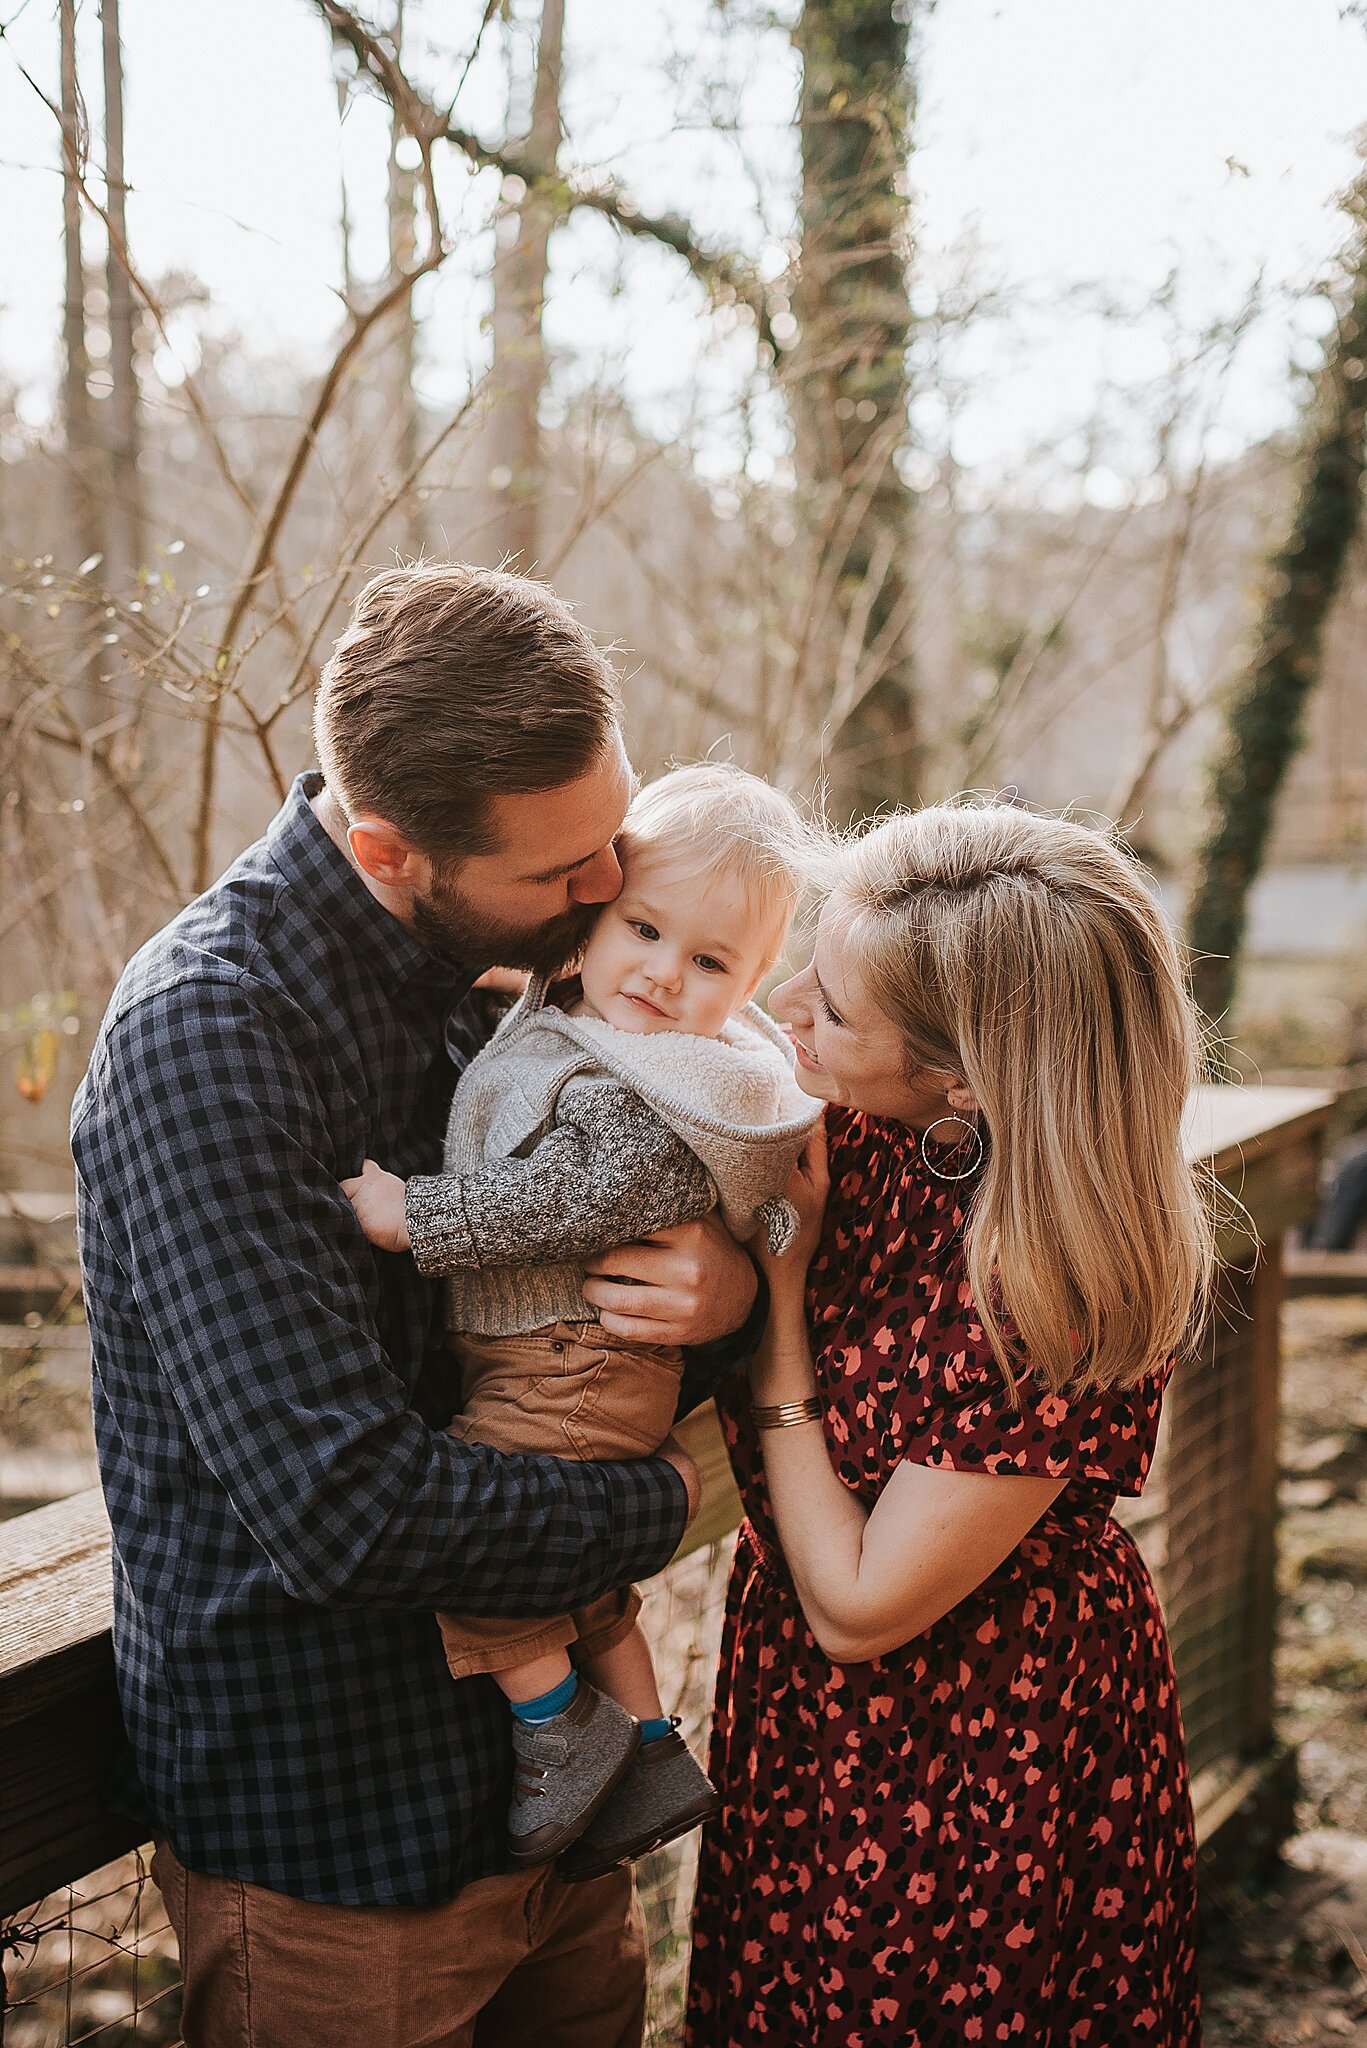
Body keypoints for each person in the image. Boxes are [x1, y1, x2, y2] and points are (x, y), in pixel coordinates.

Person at [71, 563, 764, 2048]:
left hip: (557, 1824)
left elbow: (634, 1279)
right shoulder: (211, 1036)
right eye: (563, 869)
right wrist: (656, 1506)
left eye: (613, 838)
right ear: (389, 849)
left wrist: (726, 1296)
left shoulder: (542, 979)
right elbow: (346, 1510)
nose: (607, 891)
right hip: (343, 1852)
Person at [686, 799, 1215, 2047]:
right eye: (812, 953)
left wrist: (772, 1310)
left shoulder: (1053, 1275)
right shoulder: (866, 1122)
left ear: (968, 1074)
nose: (788, 1001)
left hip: (980, 1746)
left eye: (837, 1005)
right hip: (810, 1723)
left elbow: (857, 1603)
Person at [345, 763, 821, 1877]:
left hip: (572, 1362)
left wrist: (411, 1212)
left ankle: (559, 1725)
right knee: (584, 1584)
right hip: (571, 1359)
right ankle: (652, 1747)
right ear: (592, 917)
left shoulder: (652, 1087)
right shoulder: (585, 1018)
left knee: (472, 1552)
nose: (660, 975)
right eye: (641, 929)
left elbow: (568, 1196)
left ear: (751, 983)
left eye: (708, 961)